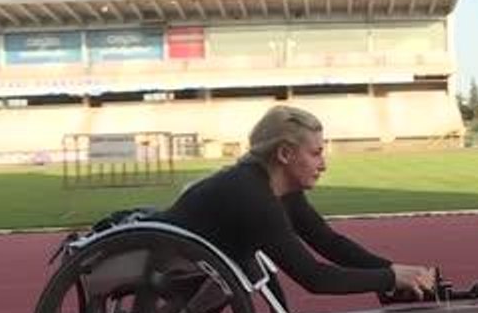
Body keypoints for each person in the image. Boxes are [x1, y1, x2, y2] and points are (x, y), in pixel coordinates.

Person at [154, 105, 437, 299]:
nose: (323, 165)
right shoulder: (252, 195)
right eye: (315, 153)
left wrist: (399, 272)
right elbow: (315, 278)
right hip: (141, 251)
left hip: (175, 260)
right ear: (286, 154)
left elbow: (329, 243)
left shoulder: (280, 190)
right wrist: (389, 278)